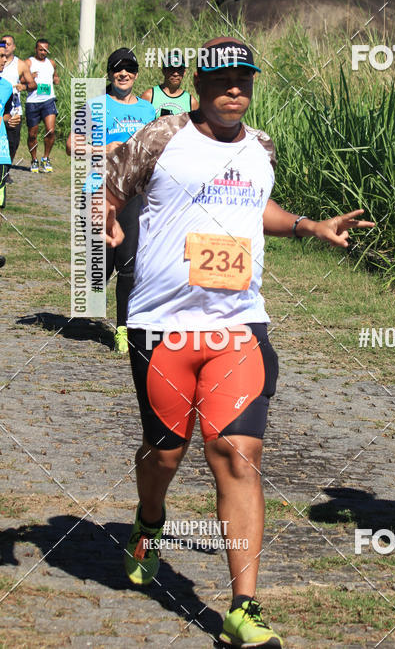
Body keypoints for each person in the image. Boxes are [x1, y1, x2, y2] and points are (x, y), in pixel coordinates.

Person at [104, 36, 373, 648]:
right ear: (199, 83)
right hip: (162, 325)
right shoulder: (161, 138)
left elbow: (258, 208)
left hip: (238, 326)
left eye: (244, 79)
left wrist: (307, 225)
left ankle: (242, 608)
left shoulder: (261, 147)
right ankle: (149, 520)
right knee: (165, 453)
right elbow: (112, 188)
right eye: (223, 78)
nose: (234, 88)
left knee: (236, 453)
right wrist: (107, 215)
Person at [67, 48, 155, 353]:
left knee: (128, 264)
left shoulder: (147, 110)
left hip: (133, 194)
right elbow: (71, 145)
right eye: (118, 69)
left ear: (136, 74)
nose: (124, 73)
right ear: (109, 73)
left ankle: (122, 329)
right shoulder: (95, 105)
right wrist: (103, 149)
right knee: (101, 264)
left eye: (129, 68)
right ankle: (93, 290)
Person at [1, 34, 36, 178]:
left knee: (12, 143)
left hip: (13, 110)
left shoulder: (20, 64)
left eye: (9, 44)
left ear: (14, 47)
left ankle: (6, 170)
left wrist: (24, 87)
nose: (6, 46)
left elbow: (33, 84)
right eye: (3, 43)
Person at [25, 38, 59, 173]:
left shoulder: (51, 63)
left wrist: (56, 79)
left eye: (45, 50)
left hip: (48, 100)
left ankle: (46, 158)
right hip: (33, 102)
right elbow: (21, 80)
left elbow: (55, 76)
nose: (43, 52)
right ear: (35, 49)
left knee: (51, 130)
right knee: (32, 135)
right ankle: (34, 159)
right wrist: (29, 77)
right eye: (40, 50)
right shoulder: (29, 62)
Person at [140, 50, 199, 116]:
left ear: (184, 72)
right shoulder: (149, 96)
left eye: (179, 69)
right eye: (172, 69)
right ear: (164, 71)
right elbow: (140, 120)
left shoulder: (191, 102)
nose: (176, 74)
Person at [0, 41, 14, 264]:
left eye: (5, 56)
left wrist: (9, 120)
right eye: (1, 56)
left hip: (1, 153)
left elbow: (6, 112)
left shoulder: (7, 87)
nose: (5, 59)